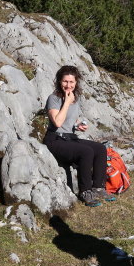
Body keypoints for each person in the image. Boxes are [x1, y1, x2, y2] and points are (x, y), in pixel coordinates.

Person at [43, 65, 115, 207]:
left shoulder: (75, 98)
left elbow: (69, 120)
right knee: (86, 151)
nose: (68, 85)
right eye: (65, 81)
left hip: (70, 138)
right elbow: (57, 122)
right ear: (59, 81)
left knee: (100, 148)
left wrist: (77, 125)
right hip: (55, 140)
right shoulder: (54, 98)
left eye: (71, 82)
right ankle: (85, 191)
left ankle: (98, 187)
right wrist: (67, 102)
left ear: (76, 83)